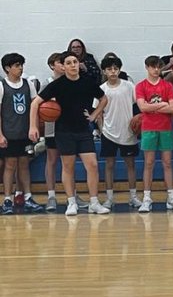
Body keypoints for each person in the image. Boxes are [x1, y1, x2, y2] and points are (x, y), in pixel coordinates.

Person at [29, 51, 109, 216]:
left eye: (75, 62)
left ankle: (94, 202)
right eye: (69, 63)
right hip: (64, 131)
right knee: (68, 167)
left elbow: (104, 99)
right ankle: (71, 202)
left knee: (92, 165)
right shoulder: (57, 85)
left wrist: (94, 115)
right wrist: (33, 126)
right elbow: (36, 103)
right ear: (63, 67)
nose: (73, 65)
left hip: (83, 130)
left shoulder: (88, 82)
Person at [134, 55, 173, 213]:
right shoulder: (141, 86)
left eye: (158, 67)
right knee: (149, 163)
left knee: (167, 163)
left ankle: (171, 197)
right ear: (147, 67)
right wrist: (162, 104)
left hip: (165, 128)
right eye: (152, 66)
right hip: (148, 128)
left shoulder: (167, 86)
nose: (156, 70)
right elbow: (142, 108)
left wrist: (153, 106)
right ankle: (147, 198)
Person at [90, 53, 138, 210]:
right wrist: (101, 128)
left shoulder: (129, 86)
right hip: (109, 132)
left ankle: (133, 197)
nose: (113, 71)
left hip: (128, 132)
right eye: (109, 69)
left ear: (119, 70)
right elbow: (97, 112)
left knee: (130, 165)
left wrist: (137, 125)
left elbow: (137, 106)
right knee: (109, 165)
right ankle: (109, 198)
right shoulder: (101, 89)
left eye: (115, 69)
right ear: (104, 71)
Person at [1, 53, 42, 213]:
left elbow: (35, 107)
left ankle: (27, 197)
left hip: (25, 133)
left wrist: (35, 127)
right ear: (7, 68)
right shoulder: (2, 86)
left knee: (24, 164)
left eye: (21, 65)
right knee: (10, 165)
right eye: (17, 65)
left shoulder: (28, 84)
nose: (20, 68)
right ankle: (7, 200)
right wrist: (0, 135)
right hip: (9, 133)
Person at [42, 51, 64, 211]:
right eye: (60, 63)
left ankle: (73, 193)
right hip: (52, 129)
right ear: (52, 66)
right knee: (51, 161)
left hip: (69, 128)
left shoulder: (70, 82)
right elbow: (40, 108)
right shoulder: (47, 84)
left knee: (68, 163)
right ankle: (51, 196)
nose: (63, 66)